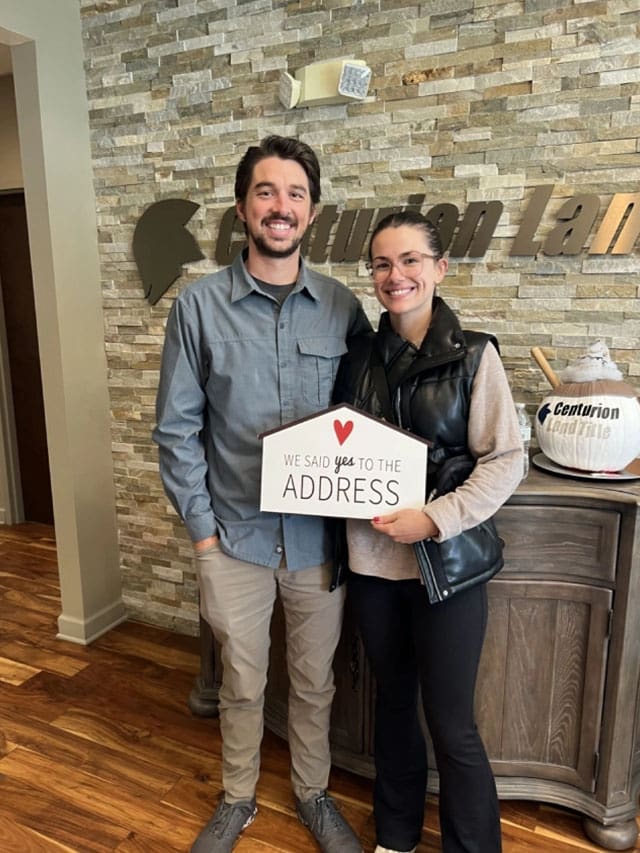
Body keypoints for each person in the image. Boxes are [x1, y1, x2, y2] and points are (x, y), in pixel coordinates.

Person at [153, 135, 370, 853]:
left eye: (296, 194)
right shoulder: (199, 307)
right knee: (242, 684)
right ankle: (237, 797)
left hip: (317, 543)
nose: (282, 207)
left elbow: (366, 420)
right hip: (236, 540)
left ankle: (312, 792)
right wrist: (204, 534)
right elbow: (176, 430)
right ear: (244, 207)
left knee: (314, 684)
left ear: (312, 211)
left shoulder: (341, 308)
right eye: (267, 192)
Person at [333, 210, 523, 853]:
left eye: (411, 260)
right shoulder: (354, 356)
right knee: (392, 705)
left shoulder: (475, 354)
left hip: (448, 569)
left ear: (439, 268)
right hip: (372, 569)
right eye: (383, 264)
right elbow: (340, 452)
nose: (397, 275)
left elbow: (505, 460)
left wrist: (434, 519)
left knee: (451, 723)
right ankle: (395, 836)